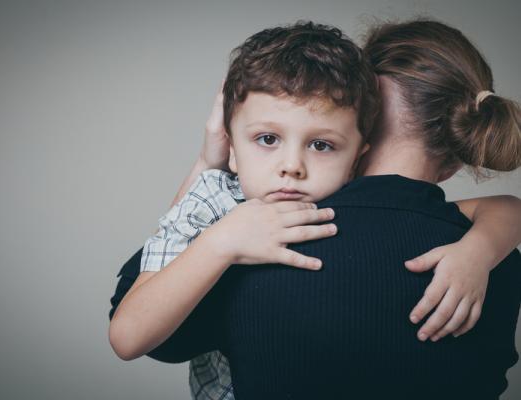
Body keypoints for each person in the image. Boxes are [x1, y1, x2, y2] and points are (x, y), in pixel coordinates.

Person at [109, 20, 521, 399]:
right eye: (268, 138)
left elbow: (145, 327)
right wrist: (481, 249)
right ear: (459, 151)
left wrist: (208, 164)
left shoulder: (262, 239)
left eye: (320, 143)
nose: (291, 165)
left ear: (362, 130)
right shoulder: (495, 258)